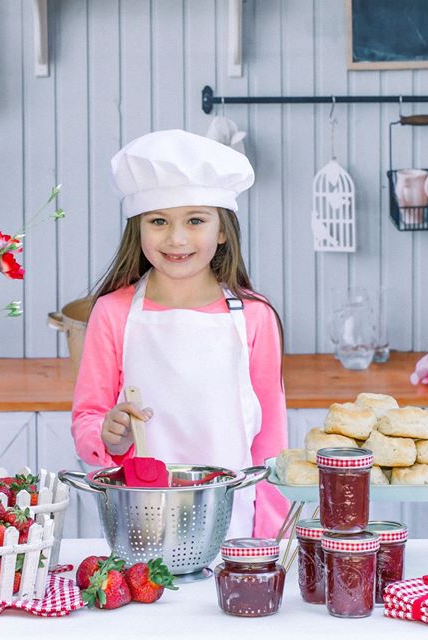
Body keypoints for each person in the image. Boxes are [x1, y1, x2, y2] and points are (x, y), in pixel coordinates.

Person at [70, 129, 288, 538]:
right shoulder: (113, 313)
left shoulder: (254, 316)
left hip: (235, 529)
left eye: (195, 220)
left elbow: (272, 443)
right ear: (138, 229)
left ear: (222, 230)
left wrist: (271, 537)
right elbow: (88, 418)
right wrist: (106, 436)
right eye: (158, 221)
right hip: (141, 526)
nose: (177, 238)